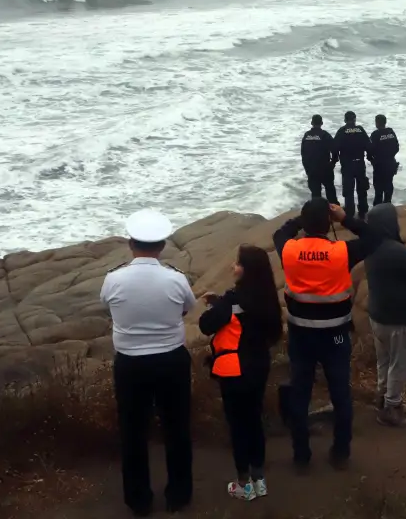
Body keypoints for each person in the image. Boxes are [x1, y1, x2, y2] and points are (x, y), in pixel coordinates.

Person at [272, 198, 382, 470]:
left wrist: (302, 219)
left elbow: (280, 233)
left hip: (301, 334)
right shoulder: (341, 252)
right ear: (328, 223)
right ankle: (340, 452)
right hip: (335, 335)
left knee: (300, 394)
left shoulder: (289, 250)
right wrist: (344, 218)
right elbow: (374, 237)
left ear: (305, 224)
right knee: (340, 394)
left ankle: (301, 456)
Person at [100, 209, 195, 516]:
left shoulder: (113, 279)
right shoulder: (176, 279)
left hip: (130, 364)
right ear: (162, 246)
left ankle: (138, 499)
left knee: (132, 431)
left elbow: (108, 308)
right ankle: (178, 495)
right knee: (177, 427)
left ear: (131, 244)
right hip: (171, 361)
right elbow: (187, 308)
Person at [199, 244, 283, 502]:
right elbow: (272, 333)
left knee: (238, 425)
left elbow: (206, 325)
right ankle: (260, 481)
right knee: (254, 420)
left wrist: (216, 305)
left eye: (237, 263)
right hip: (258, 366)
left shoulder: (233, 300)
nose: (232, 267)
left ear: (246, 270)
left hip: (233, 369)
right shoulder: (268, 298)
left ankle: (243, 484)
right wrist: (221, 303)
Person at [362, 203, 406, 427]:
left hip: (377, 315)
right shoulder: (396, 250)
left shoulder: (370, 247)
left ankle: (382, 398)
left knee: (384, 361)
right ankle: (392, 408)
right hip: (398, 319)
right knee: (399, 364)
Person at [334, 111, 371, 219]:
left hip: (347, 165)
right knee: (362, 189)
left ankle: (349, 213)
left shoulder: (342, 131)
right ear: (355, 119)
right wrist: (369, 156)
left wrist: (334, 159)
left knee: (348, 190)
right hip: (359, 163)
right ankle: (363, 212)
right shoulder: (360, 130)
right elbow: (369, 146)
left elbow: (334, 148)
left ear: (345, 120)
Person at [300, 115, 338, 204]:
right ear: (321, 123)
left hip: (312, 169)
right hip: (325, 168)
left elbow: (303, 153)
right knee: (330, 191)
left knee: (315, 194)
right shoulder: (325, 135)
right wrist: (332, 163)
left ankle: (317, 214)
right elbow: (335, 150)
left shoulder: (306, 135)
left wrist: (307, 168)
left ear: (312, 123)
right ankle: (335, 212)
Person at [369, 114, 400, 206]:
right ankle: (387, 205)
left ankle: (378, 208)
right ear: (385, 122)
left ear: (377, 123)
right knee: (389, 184)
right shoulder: (391, 132)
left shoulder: (375, 134)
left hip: (379, 164)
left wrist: (373, 160)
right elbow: (396, 147)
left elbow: (370, 150)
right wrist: (390, 156)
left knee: (378, 187)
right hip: (390, 163)